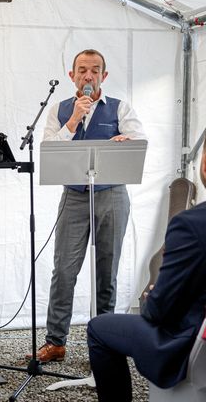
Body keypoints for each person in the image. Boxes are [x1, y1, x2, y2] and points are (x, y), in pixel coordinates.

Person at [35, 49, 146, 363]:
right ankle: (56, 341)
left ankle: (106, 340)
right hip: (74, 196)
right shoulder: (59, 110)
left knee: (106, 272)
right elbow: (48, 149)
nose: (88, 76)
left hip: (111, 194)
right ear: (72, 75)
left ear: (104, 76)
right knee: (64, 272)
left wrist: (128, 141)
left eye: (95, 71)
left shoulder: (120, 108)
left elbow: (139, 141)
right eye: (82, 70)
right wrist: (72, 121)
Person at [87, 136, 206, 400]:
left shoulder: (191, 224)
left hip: (188, 344)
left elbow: (159, 312)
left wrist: (151, 295)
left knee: (98, 327)